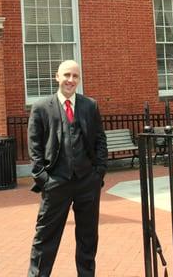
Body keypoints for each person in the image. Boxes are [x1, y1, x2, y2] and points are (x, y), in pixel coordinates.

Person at [27, 60, 108, 277]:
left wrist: (98, 172)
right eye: (66, 75)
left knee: (88, 237)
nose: (70, 80)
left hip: (86, 182)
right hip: (56, 182)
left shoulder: (89, 105)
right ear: (57, 77)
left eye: (75, 76)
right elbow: (34, 147)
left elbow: (100, 139)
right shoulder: (42, 107)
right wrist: (43, 178)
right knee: (45, 237)